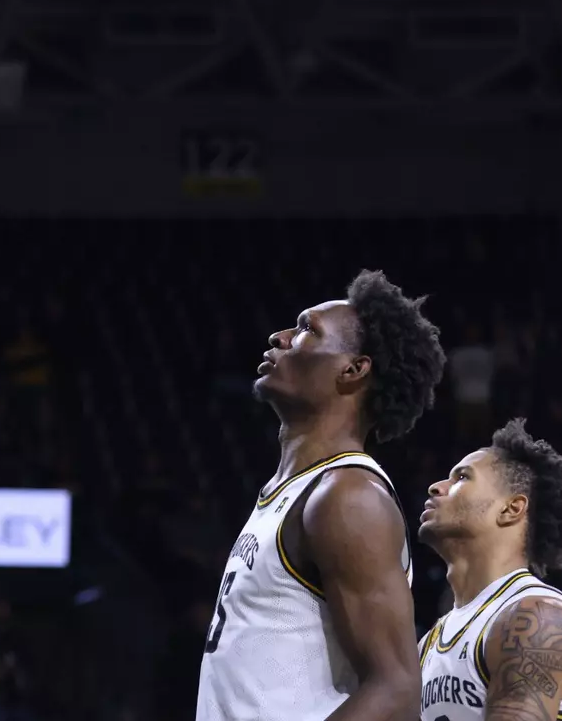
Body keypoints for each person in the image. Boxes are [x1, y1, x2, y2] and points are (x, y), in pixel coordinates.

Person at [196, 270, 446, 721]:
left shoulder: (346, 497)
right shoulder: (292, 491)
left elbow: (398, 690)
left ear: (353, 369)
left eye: (307, 329)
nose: (281, 335)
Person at [417, 417, 562, 721]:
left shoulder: (535, 615)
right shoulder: (427, 644)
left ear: (511, 509)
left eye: (461, 478)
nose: (436, 487)